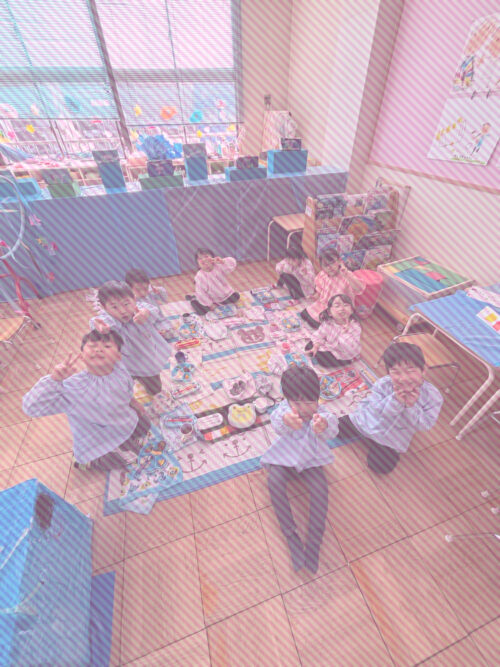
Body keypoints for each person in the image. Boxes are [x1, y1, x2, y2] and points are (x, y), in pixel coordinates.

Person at [22, 330, 151, 471]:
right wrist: (54, 380)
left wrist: (134, 403)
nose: (99, 349)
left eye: (107, 346)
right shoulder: (73, 387)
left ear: (118, 357)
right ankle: (84, 462)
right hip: (97, 439)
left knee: (146, 424)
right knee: (124, 459)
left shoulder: (120, 370)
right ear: (82, 356)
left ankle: (123, 439)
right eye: (92, 346)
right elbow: (31, 408)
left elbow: (126, 391)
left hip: (122, 422)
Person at [260, 366, 339, 573]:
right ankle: (291, 535)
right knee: (274, 481)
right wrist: (286, 420)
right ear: (287, 400)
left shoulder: (321, 414)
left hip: (311, 461)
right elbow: (277, 422)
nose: (304, 409)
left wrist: (323, 426)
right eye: (297, 403)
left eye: (309, 402)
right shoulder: (284, 410)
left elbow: (333, 428)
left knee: (320, 489)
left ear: (318, 399)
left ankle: (314, 541)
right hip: (284, 459)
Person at [337, 342, 443, 474]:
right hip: (367, 422)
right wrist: (395, 400)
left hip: (393, 438)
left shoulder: (433, 396)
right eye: (396, 372)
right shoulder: (383, 384)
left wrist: (411, 407)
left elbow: (425, 425)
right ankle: (362, 432)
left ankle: (379, 447)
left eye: (410, 371)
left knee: (380, 467)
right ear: (388, 373)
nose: (403, 378)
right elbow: (375, 409)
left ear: (424, 369)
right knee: (336, 428)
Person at [91, 280, 171, 396]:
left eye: (126, 304)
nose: (122, 311)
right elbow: (98, 322)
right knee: (124, 388)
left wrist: (145, 313)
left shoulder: (139, 309)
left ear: (134, 299)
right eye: (114, 307)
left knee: (155, 389)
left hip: (147, 361)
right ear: (104, 308)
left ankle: (150, 388)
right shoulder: (108, 319)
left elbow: (152, 310)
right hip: (125, 363)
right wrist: (100, 328)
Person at [300, 249, 364, 329]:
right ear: (322, 267)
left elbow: (359, 288)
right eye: (326, 265)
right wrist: (314, 296)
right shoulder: (323, 275)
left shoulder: (345, 275)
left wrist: (347, 274)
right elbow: (320, 291)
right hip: (324, 304)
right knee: (303, 314)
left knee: (315, 324)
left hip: (339, 308)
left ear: (339, 261)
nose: (330, 267)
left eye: (333, 262)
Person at [305, 294, 361, 367]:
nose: (342, 308)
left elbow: (349, 348)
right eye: (337, 306)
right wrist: (315, 347)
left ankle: (350, 361)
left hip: (343, 353)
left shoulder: (355, 327)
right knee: (309, 346)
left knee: (325, 363)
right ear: (329, 313)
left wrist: (345, 333)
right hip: (330, 346)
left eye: (345, 305)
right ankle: (319, 354)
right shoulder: (329, 322)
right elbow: (319, 335)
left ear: (351, 310)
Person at [124, 267, 173, 338]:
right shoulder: (130, 300)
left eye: (145, 288)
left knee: (169, 330)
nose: (143, 292)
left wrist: (159, 291)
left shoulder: (150, 292)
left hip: (159, 321)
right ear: (129, 288)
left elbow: (164, 298)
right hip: (145, 325)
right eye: (138, 290)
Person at [190, 248, 240, 315]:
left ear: (213, 258)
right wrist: (211, 305)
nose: (204, 259)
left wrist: (222, 261)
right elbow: (201, 293)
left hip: (225, 295)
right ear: (198, 264)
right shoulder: (200, 276)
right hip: (211, 299)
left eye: (206, 256)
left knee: (236, 296)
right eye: (200, 258)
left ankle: (195, 297)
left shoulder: (219, 267)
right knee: (202, 311)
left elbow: (233, 263)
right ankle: (193, 299)